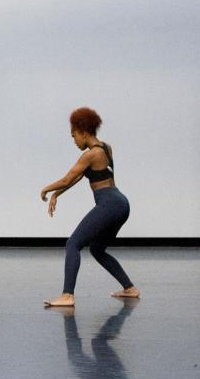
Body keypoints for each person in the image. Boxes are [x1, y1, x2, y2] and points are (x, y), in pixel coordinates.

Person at [40, 107, 139, 306]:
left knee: (73, 244)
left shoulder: (89, 155)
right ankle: (130, 288)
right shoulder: (105, 148)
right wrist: (58, 194)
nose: (74, 140)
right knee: (97, 249)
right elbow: (80, 177)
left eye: (74, 136)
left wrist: (46, 189)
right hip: (121, 203)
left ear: (84, 132)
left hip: (109, 204)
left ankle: (67, 296)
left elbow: (68, 177)